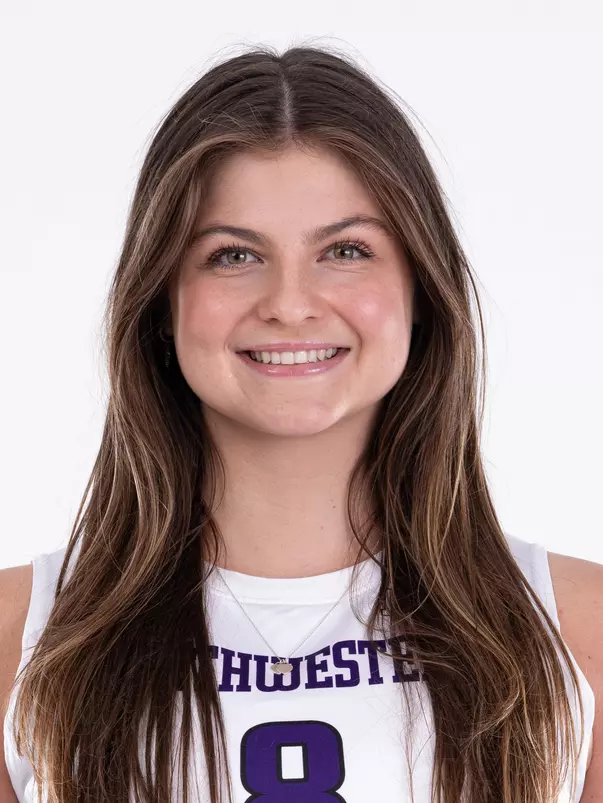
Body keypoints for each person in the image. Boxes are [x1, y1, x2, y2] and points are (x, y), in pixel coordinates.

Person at [1, 44, 601, 803]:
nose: (290, 301)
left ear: (420, 289)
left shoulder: (578, 631)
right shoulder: (23, 638)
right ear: (161, 300)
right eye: (233, 255)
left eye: (345, 250)